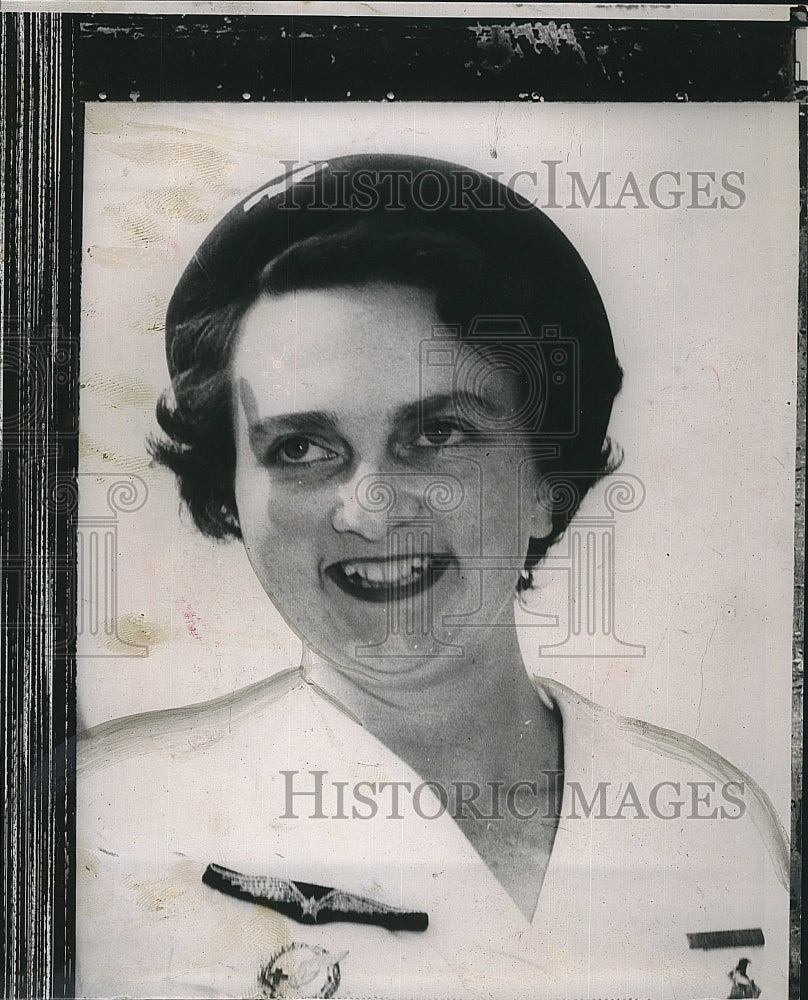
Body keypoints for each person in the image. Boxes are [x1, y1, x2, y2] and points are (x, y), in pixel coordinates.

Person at [76, 154, 789, 999]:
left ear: (545, 482)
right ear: (230, 491)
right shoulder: (104, 822)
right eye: (300, 448)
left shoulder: (713, 817)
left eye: (438, 433)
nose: (370, 512)